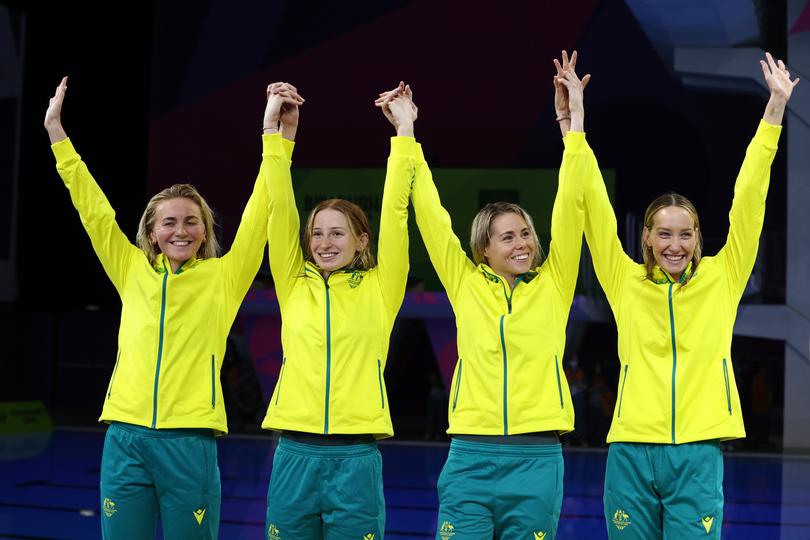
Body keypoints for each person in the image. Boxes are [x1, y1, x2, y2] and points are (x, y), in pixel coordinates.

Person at [43, 77, 299, 538]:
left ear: (205, 230)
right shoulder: (130, 268)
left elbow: (263, 209)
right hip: (126, 439)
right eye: (168, 222)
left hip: (190, 442)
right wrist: (57, 135)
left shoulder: (225, 276)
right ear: (152, 230)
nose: (180, 231)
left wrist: (276, 137)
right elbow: (93, 211)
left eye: (191, 221)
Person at [566, 52, 799, 539]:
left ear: (698, 237)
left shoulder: (724, 276)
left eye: (686, 234)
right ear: (646, 237)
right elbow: (593, 208)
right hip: (631, 450)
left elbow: (750, 200)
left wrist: (774, 110)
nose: (676, 245)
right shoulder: (623, 279)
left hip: (697, 452)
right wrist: (576, 127)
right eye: (665, 234)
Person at [400, 52, 591, 539]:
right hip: (470, 454)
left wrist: (572, 124)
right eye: (508, 236)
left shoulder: (554, 282)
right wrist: (406, 135)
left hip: (538, 457)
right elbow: (429, 215)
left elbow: (571, 206)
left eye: (525, 233)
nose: (522, 242)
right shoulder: (464, 282)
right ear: (483, 249)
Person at [261, 81, 418, 539]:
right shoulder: (292, 284)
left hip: (356, 458)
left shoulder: (381, 288)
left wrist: (403, 133)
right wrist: (274, 133)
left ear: (361, 241)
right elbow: (279, 209)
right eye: (317, 234)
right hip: (293, 451)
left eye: (337, 233)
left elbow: (396, 211)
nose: (324, 243)